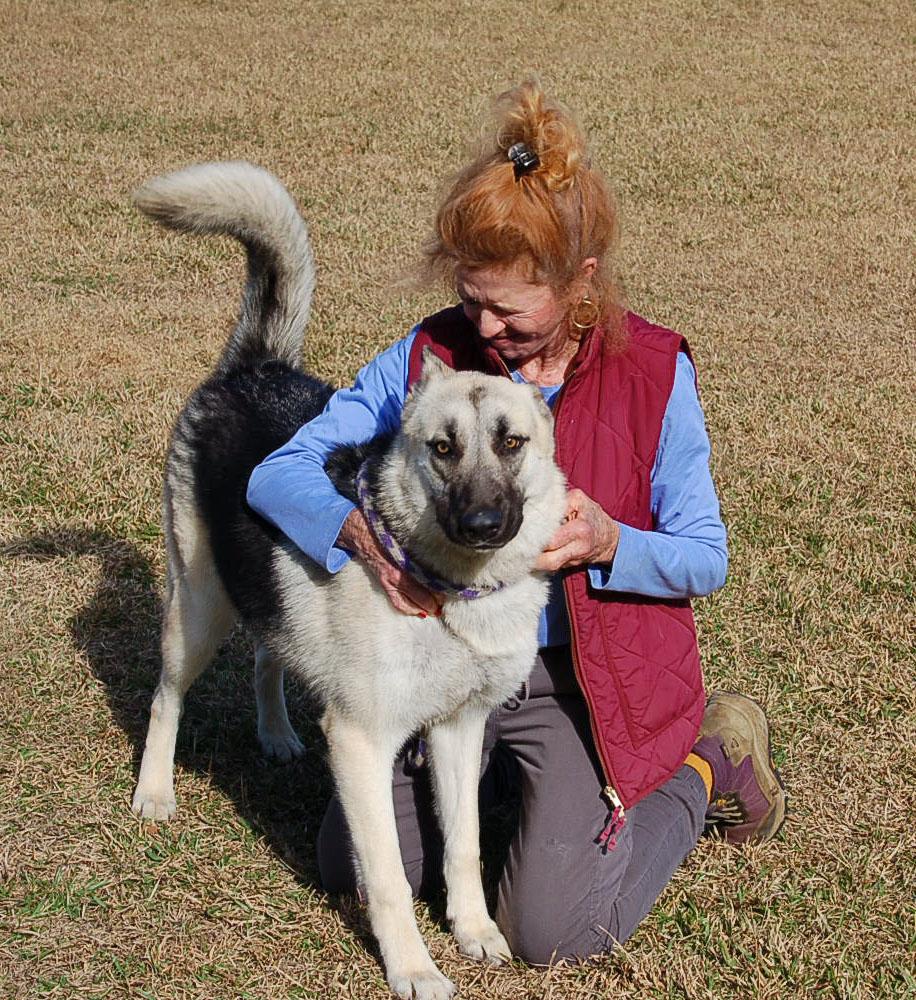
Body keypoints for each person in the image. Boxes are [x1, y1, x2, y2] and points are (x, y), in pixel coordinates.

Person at [246, 80, 786, 964]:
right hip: (441, 663)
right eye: (471, 300)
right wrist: (354, 536)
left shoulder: (655, 377)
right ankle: (503, 799)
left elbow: (706, 558)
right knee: (348, 865)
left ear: (581, 283)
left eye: (508, 308)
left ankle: (708, 762)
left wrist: (612, 544)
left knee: (553, 931)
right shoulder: (428, 358)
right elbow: (279, 472)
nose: (484, 328)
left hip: (581, 681)